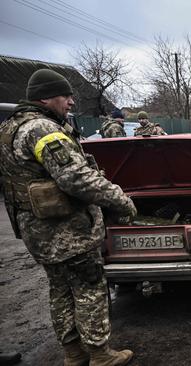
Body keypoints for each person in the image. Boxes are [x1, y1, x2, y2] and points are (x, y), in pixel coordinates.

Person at [0, 69, 138, 366]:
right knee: (89, 287)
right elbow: (77, 178)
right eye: (66, 96)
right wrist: (121, 200)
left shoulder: (10, 128)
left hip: (36, 231)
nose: (72, 102)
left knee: (60, 290)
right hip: (67, 232)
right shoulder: (42, 130)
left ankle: (73, 354)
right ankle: (101, 355)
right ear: (47, 98)